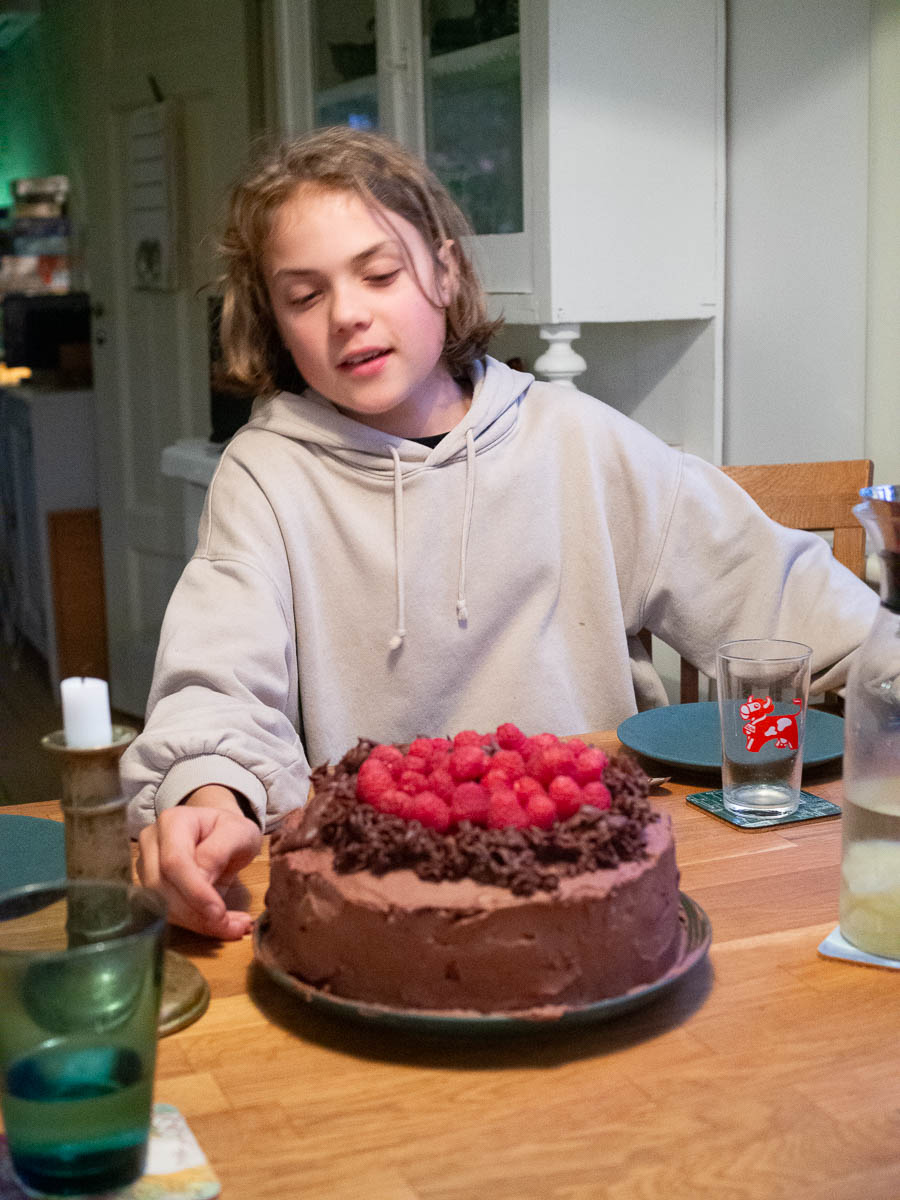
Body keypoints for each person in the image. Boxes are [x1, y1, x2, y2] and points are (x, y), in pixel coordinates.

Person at [124, 126, 878, 940]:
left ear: (446, 271)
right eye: (304, 296)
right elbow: (220, 684)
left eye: (380, 274)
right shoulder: (265, 474)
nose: (348, 314)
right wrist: (210, 793)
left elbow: (794, 606)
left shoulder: (581, 438)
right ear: (274, 321)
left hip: (597, 888)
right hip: (393, 910)